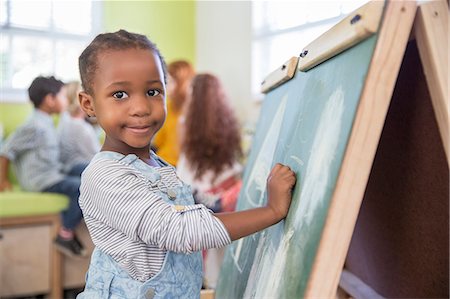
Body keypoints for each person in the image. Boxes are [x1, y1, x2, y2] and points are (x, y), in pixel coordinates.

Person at [76, 29, 296, 298]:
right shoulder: (104, 175)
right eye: (120, 94)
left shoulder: (156, 165)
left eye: (153, 91)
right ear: (88, 104)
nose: (141, 107)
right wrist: (272, 210)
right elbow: (180, 231)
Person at [0, 76, 87, 258]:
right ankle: (65, 233)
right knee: (81, 187)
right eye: (63, 97)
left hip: (53, 172)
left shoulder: (47, 121)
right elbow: (7, 151)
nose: (65, 101)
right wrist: (3, 179)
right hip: (41, 180)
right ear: (50, 100)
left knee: (84, 169)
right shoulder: (34, 125)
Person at [177, 73, 244, 288]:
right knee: (222, 259)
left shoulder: (184, 123)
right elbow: (234, 173)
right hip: (224, 200)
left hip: (195, 197)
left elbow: (185, 164)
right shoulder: (229, 124)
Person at [152, 60, 195, 166]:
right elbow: (158, 141)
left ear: (181, 83)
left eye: (169, 81)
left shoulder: (193, 111)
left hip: (179, 168)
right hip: (163, 162)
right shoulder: (168, 105)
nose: (165, 86)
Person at [58, 80, 101, 173]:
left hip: (67, 166)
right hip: (77, 167)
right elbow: (97, 155)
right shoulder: (80, 126)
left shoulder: (66, 118)